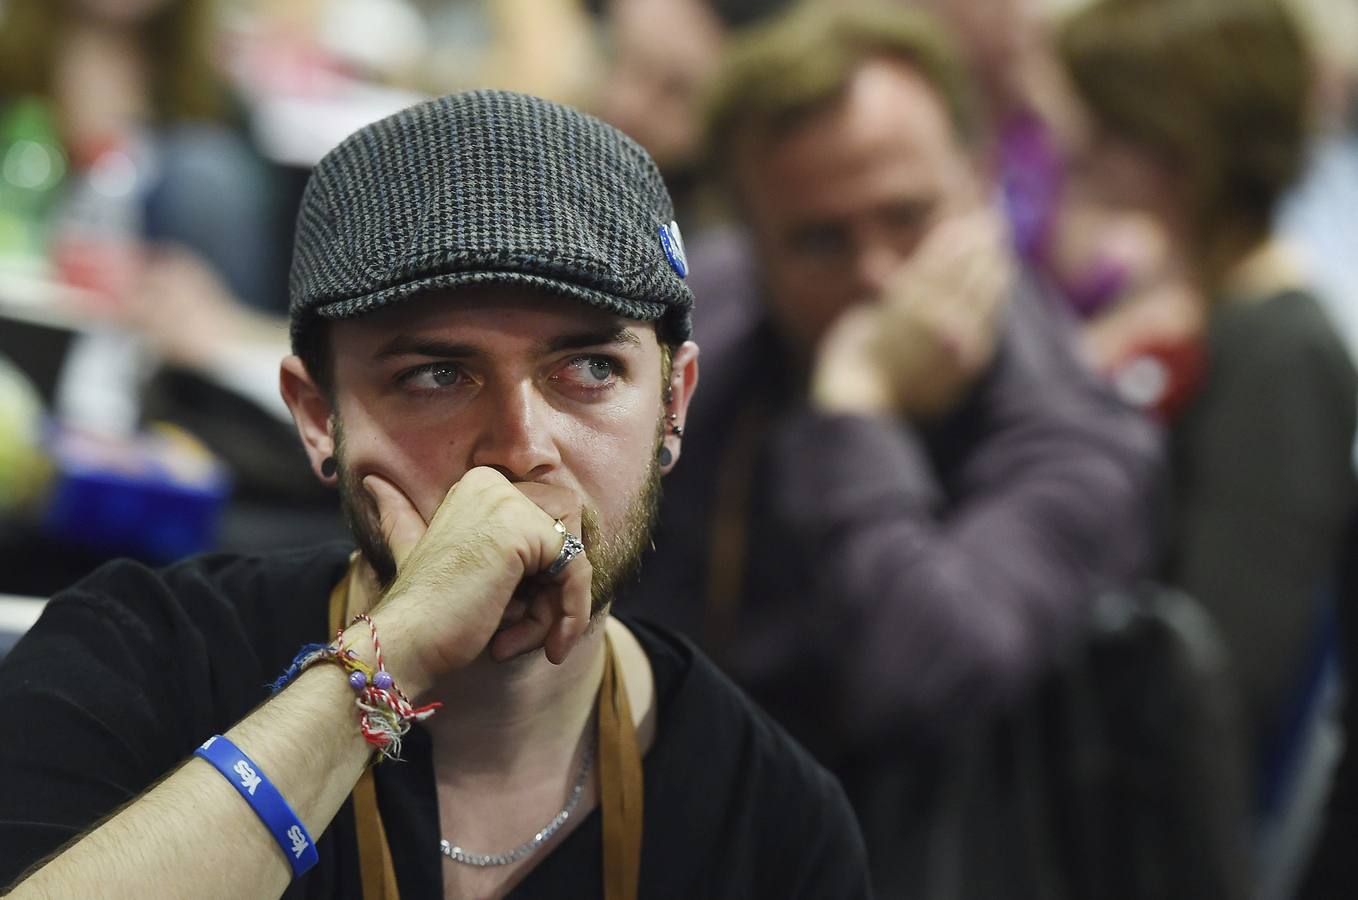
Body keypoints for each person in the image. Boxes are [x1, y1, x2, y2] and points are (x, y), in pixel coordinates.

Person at [0, 90, 869, 898]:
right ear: (316, 417)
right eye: (437, 375)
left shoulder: (773, 821)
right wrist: (387, 661)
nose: (523, 446)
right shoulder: (141, 656)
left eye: (591, 369)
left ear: (673, 404)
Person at [620, 3, 1163, 886]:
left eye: (908, 216)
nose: (878, 275)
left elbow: (922, 677)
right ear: (751, 245)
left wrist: (857, 410)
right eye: (821, 240)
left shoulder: (1078, 434)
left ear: (983, 182)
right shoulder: (706, 324)